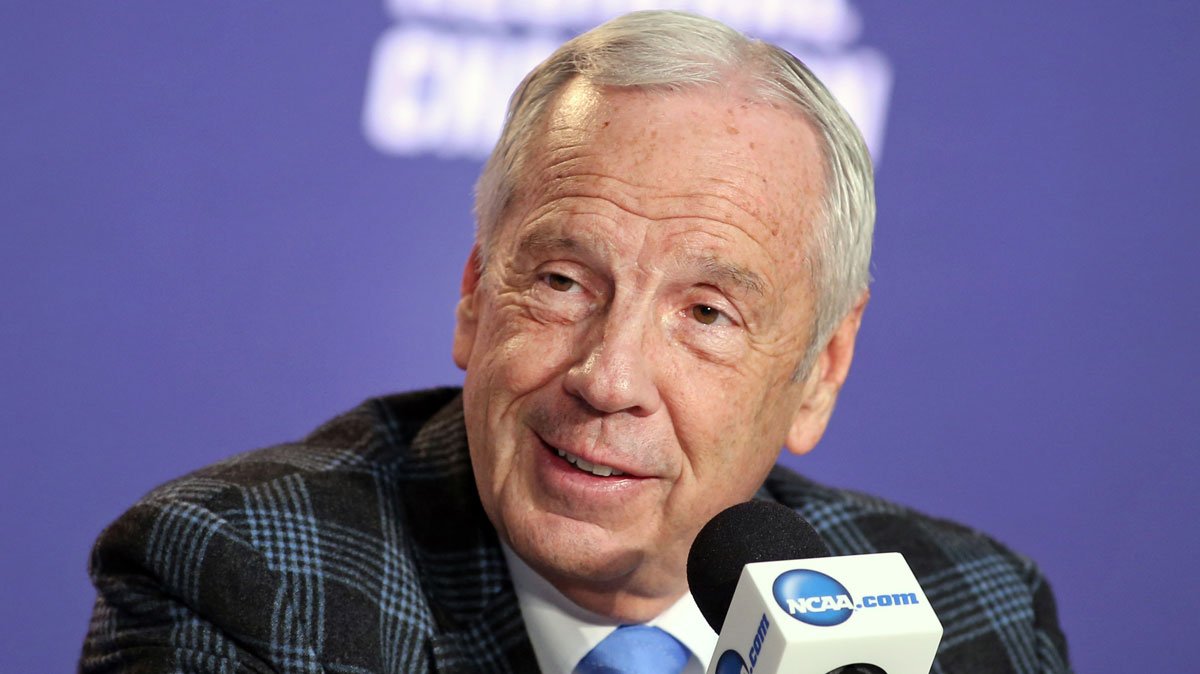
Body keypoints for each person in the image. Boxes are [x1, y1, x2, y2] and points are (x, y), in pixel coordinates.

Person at [80, 10, 1071, 673]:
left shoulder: (976, 619)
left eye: (706, 313)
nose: (609, 377)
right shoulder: (243, 582)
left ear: (821, 371)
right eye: (562, 281)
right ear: (475, 296)